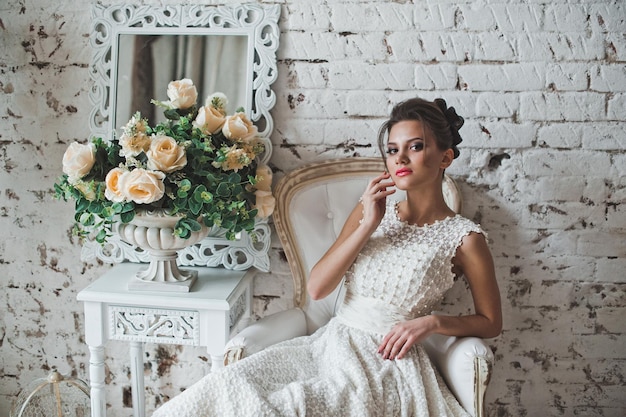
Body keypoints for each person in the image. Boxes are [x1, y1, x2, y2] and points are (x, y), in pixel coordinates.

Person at [152, 97, 502, 417]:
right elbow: (318, 288)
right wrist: (368, 224)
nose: (400, 158)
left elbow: (490, 321)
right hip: (332, 345)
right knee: (227, 385)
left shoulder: (465, 238)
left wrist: (433, 323)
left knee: (295, 404)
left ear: (445, 157)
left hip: (387, 363)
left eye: (416, 147)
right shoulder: (370, 212)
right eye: (393, 149)